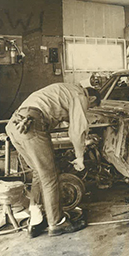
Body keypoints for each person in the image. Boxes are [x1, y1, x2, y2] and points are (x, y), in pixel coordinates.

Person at [7, 82, 98, 237]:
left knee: (38, 173)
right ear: (92, 97)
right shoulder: (81, 95)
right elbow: (77, 130)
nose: (88, 109)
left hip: (14, 125)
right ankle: (57, 223)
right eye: (91, 106)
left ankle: (36, 221)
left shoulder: (67, 88)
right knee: (50, 176)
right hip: (32, 125)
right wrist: (80, 156)